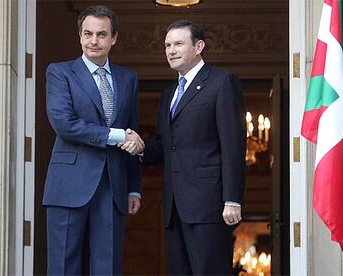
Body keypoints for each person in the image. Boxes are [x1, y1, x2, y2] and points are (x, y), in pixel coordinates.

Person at [121, 20, 246, 275]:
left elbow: (233, 144)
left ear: (199, 46)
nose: (171, 50)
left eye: (178, 43)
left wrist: (232, 199)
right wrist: (142, 147)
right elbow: (168, 148)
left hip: (210, 206)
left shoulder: (222, 82)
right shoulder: (168, 94)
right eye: (167, 45)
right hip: (174, 208)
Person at [42, 5, 144, 275]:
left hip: (113, 184)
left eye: (101, 34)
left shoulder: (128, 78)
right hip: (68, 184)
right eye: (88, 34)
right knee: (63, 266)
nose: (94, 41)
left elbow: (132, 133)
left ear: (114, 38)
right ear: (79, 36)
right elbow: (64, 124)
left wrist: (133, 187)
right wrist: (116, 135)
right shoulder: (60, 72)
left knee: (107, 266)